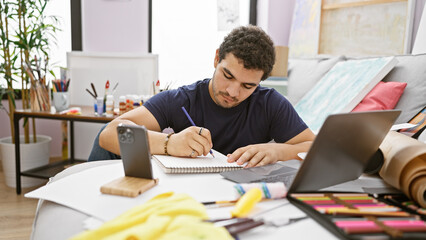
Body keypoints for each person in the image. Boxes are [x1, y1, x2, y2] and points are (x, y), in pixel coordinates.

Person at [98, 25, 315, 168]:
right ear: (216, 58)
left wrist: (279, 151)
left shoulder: (269, 104)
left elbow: (316, 148)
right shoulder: (183, 99)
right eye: (227, 75)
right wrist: (169, 143)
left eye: (247, 86)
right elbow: (108, 134)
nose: (232, 92)